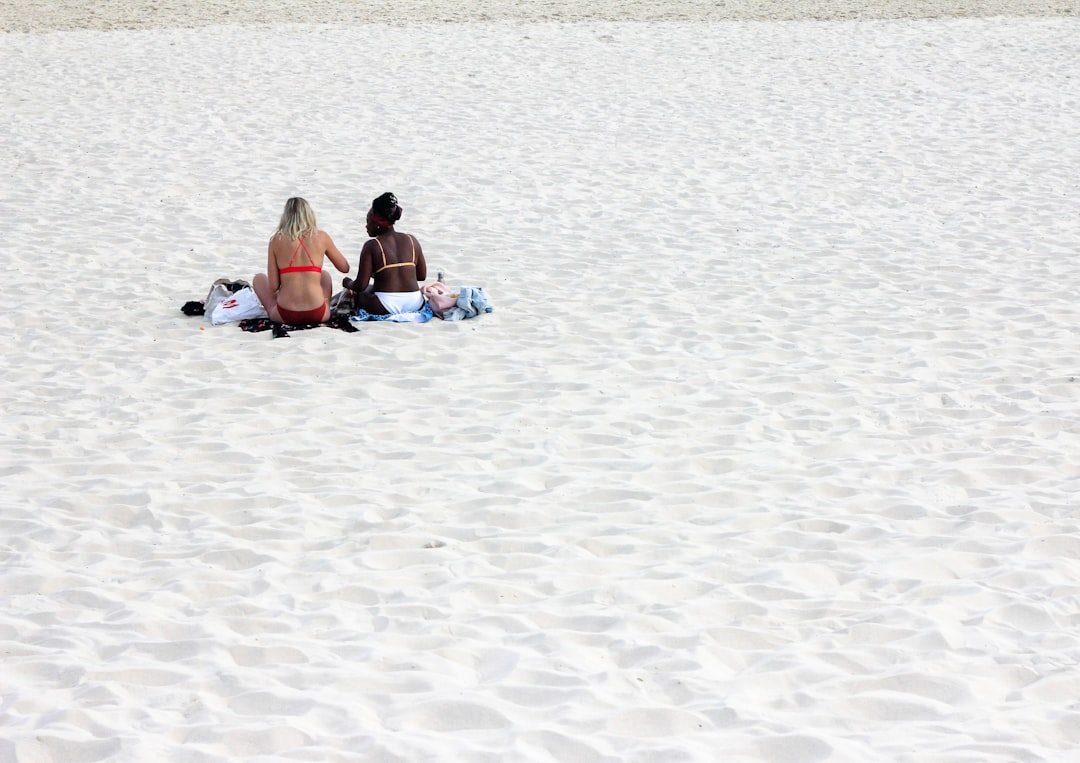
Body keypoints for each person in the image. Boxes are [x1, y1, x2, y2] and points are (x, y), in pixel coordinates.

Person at [252, 197, 350, 324]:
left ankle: (276, 306)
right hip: (318, 313)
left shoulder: (276, 240)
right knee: (324, 275)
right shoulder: (321, 237)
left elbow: (273, 286)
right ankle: (325, 303)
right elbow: (344, 268)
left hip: (286, 315)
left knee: (259, 278)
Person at [341, 192, 427, 315]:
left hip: (384, 304)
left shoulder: (372, 245)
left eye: (367, 220)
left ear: (376, 221)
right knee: (371, 288)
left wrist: (347, 282)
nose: (366, 226)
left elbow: (360, 285)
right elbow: (421, 276)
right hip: (415, 302)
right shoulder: (412, 240)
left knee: (359, 294)